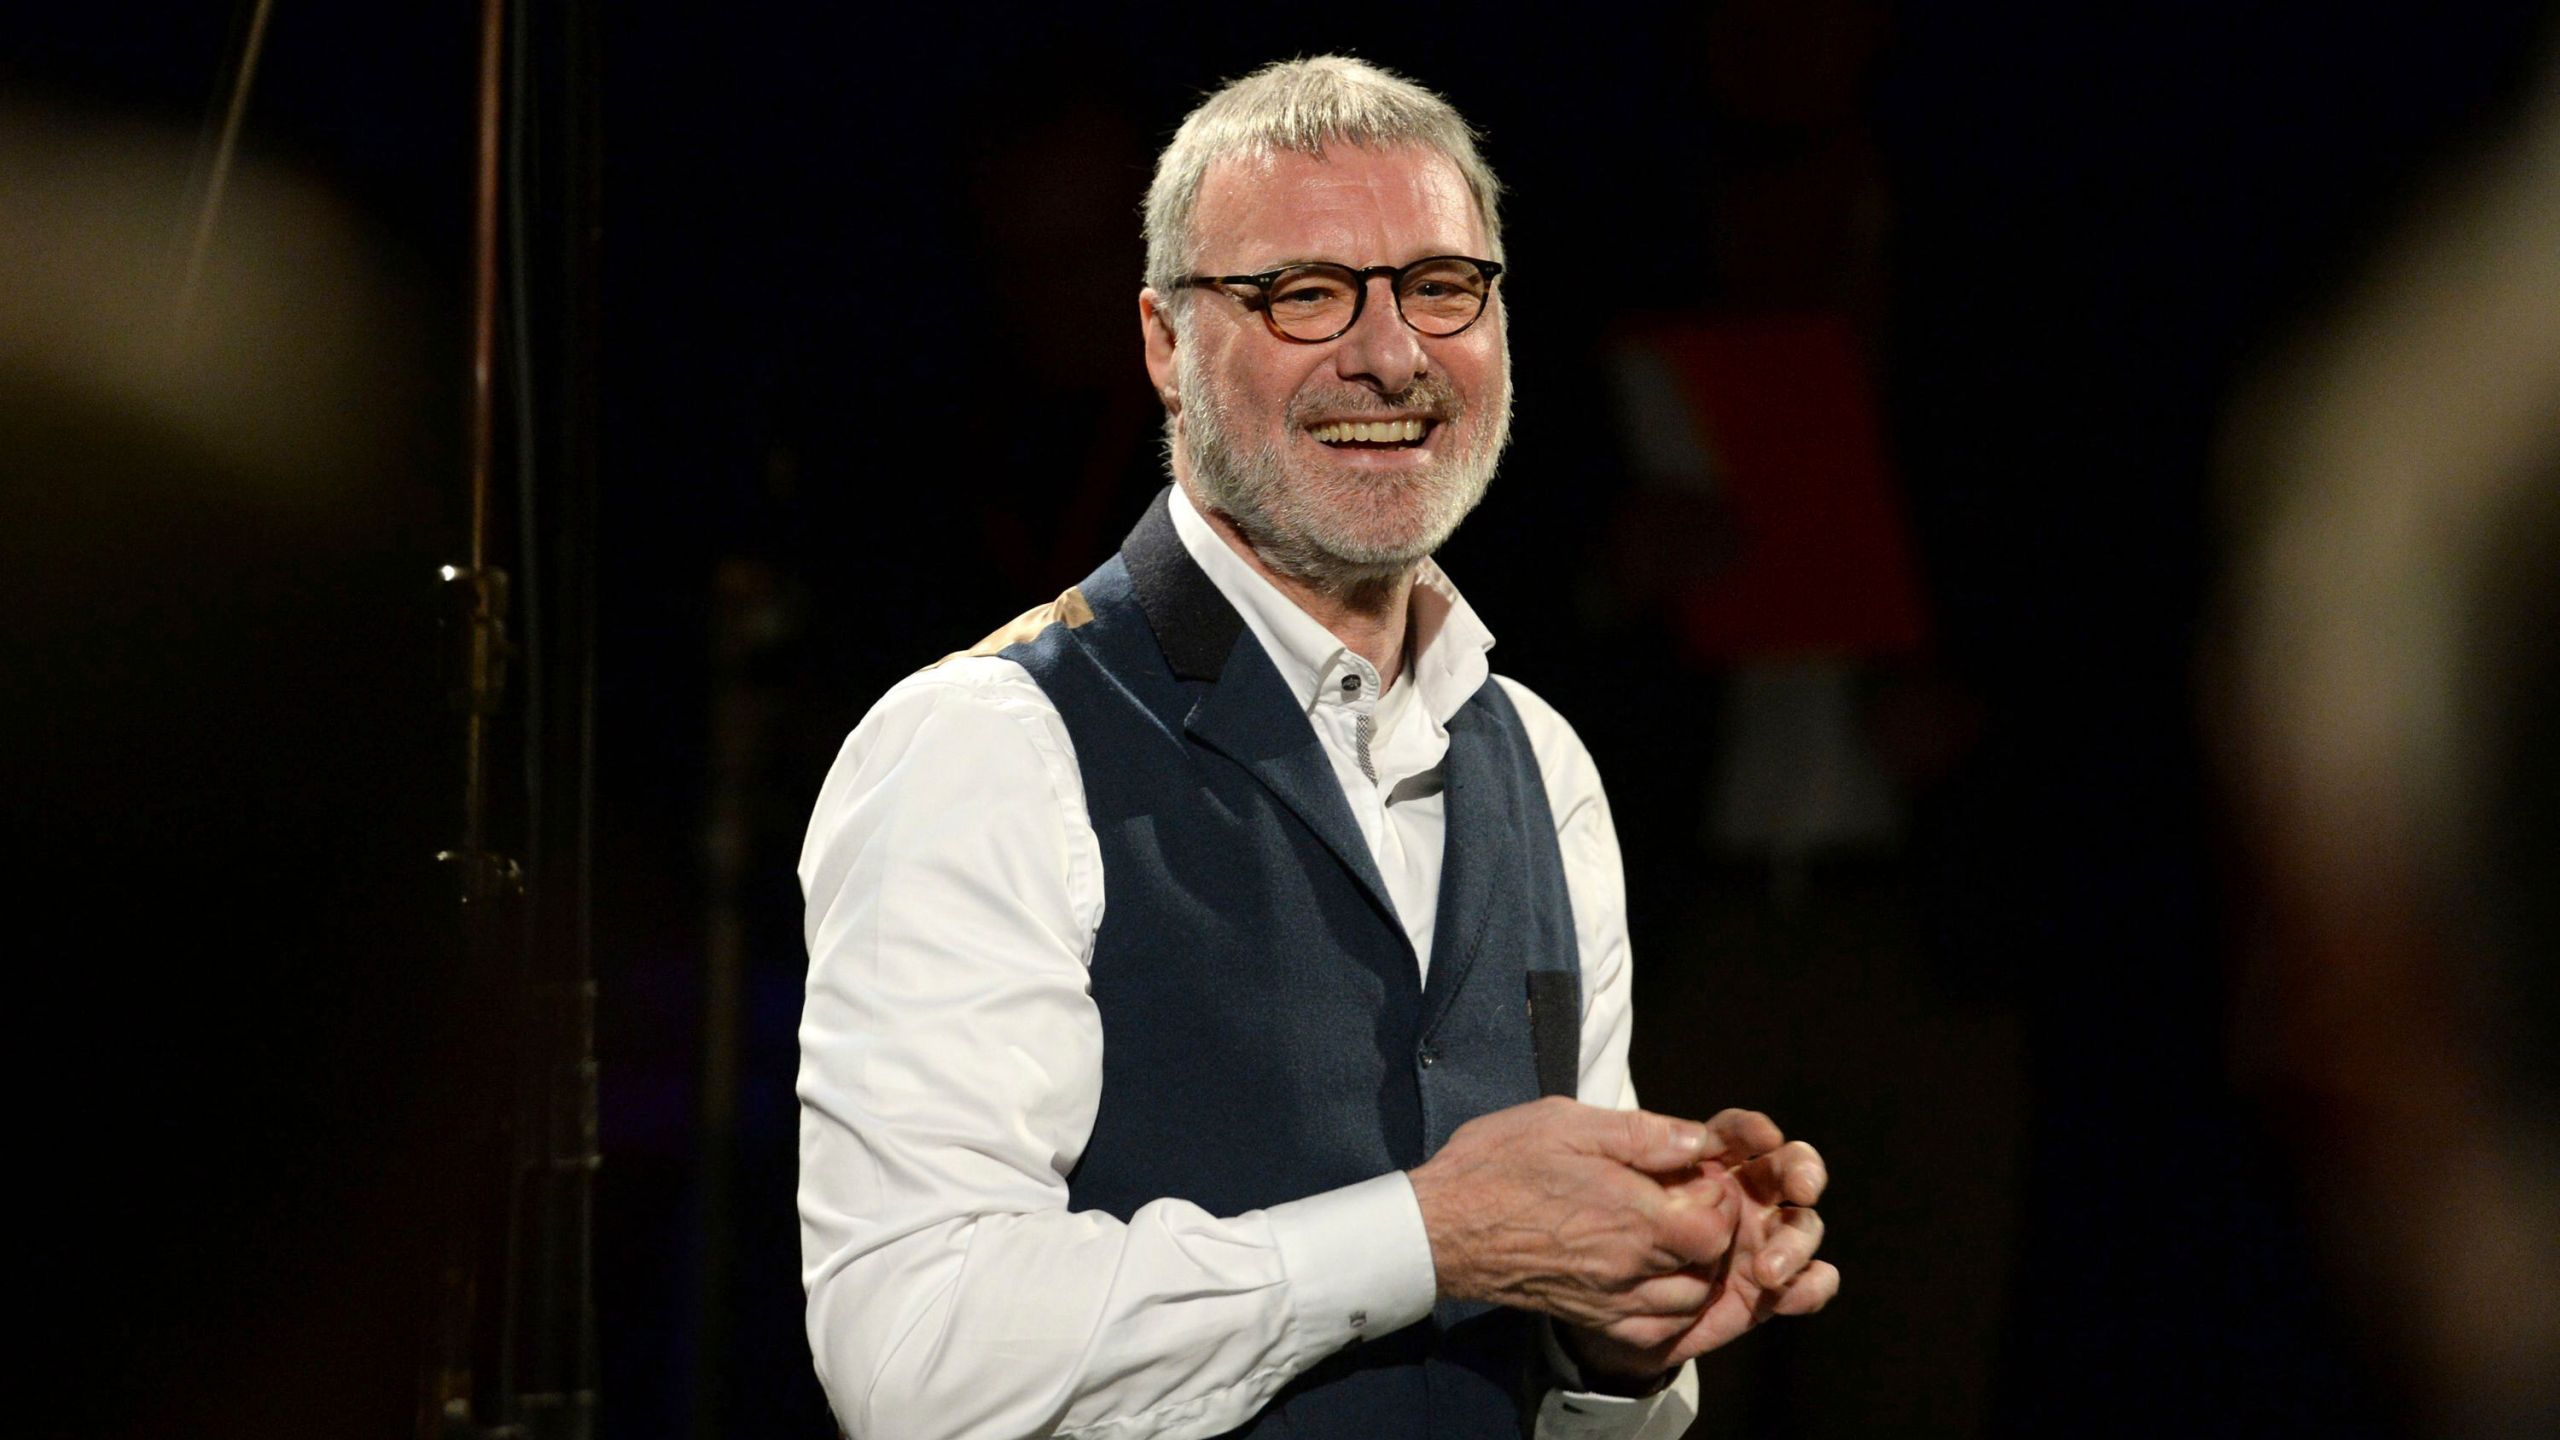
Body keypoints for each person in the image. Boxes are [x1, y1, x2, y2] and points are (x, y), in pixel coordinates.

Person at [797, 56, 1837, 1440]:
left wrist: (1625, 1337)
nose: (1392, 353)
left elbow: (1560, 1383)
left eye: (1441, 285)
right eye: (1304, 292)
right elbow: (915, 1355)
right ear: (1166, 344)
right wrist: (1430, 1236)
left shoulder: (1540, 762)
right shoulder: (984, 746)